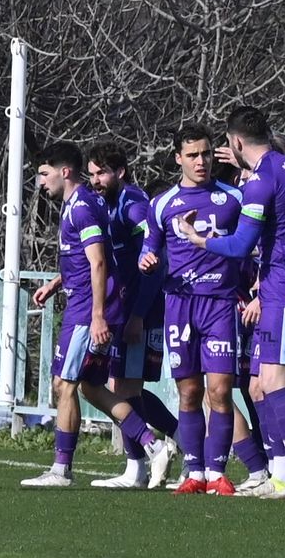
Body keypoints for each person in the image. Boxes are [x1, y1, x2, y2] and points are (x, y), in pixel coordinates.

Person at [175, 106, 285, 498]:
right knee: (264, 385)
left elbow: (238, 245)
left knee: (275, 382)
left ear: (234, 142)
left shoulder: (259, 181)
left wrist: (197, 238)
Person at [22, 143, 173, 488]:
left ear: (64, 172)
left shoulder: (84, 209)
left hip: (87, 310)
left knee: (66, 384)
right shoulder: (78, 205)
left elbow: (99, 262)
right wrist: (56, 283)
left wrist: (98, 316)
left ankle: (62, 470)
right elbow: (87, 257)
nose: (40, 182)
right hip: (83, 303)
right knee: (89, 387)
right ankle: (153, 446)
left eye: (44, 174)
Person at [152, 124, 257, 495]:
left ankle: (216, 472)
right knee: (189, 391)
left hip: (219, 303)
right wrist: (148, 257)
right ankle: (193, 470)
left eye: (207, 154)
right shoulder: (162, 203)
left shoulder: (234, 197)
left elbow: (255, 241)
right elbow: (150, 247)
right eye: (193, 155)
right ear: (178, 158)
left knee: (221, 389)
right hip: (180, 304)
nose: (201, 161)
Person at [84, 141, 179, 489]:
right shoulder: (107, 206)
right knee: (122, 386)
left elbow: (157, 261)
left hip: (142, 308)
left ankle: (140, 463)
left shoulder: (134, 207)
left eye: (102, 173)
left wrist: (139, 314)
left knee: (123, 387)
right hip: (124, 309)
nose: (95, 180)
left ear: (120, 172)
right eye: (91, 174)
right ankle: (164, 449)